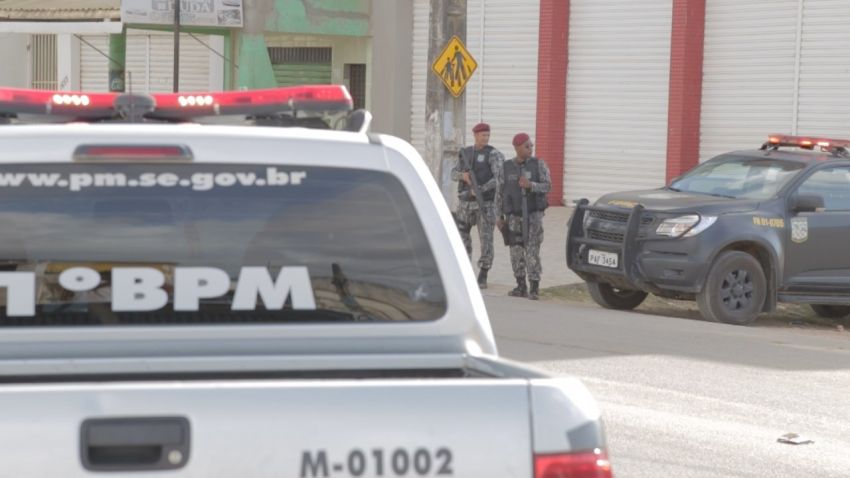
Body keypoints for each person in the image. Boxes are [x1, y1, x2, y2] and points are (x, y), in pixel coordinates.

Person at [497, 133, 551, 300]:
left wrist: (531, 185)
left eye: (531, 146)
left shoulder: (539, 165)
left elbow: (548, 186)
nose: (530, 149)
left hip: (533, 216)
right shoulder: (506, 167)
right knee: (516, 251)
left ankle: (534, 287)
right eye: (527, 146)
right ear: (517, 147)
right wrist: (499, 216)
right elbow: (499, 193)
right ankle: (520, 285)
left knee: (532, 251)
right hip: (514, 216)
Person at [451, 122, 505, 289]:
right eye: (483, 135)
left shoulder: (494, 154)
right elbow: (453, 173)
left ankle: (483, 273)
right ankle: (464, 269)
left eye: (487, 135)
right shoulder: (466, 153)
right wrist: (463, 176)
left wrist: (480, 189)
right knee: (461, 236)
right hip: (466, 204)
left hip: (485, 204)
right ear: (475, 135)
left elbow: (499, 178)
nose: (485, 138)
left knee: (486, 239)